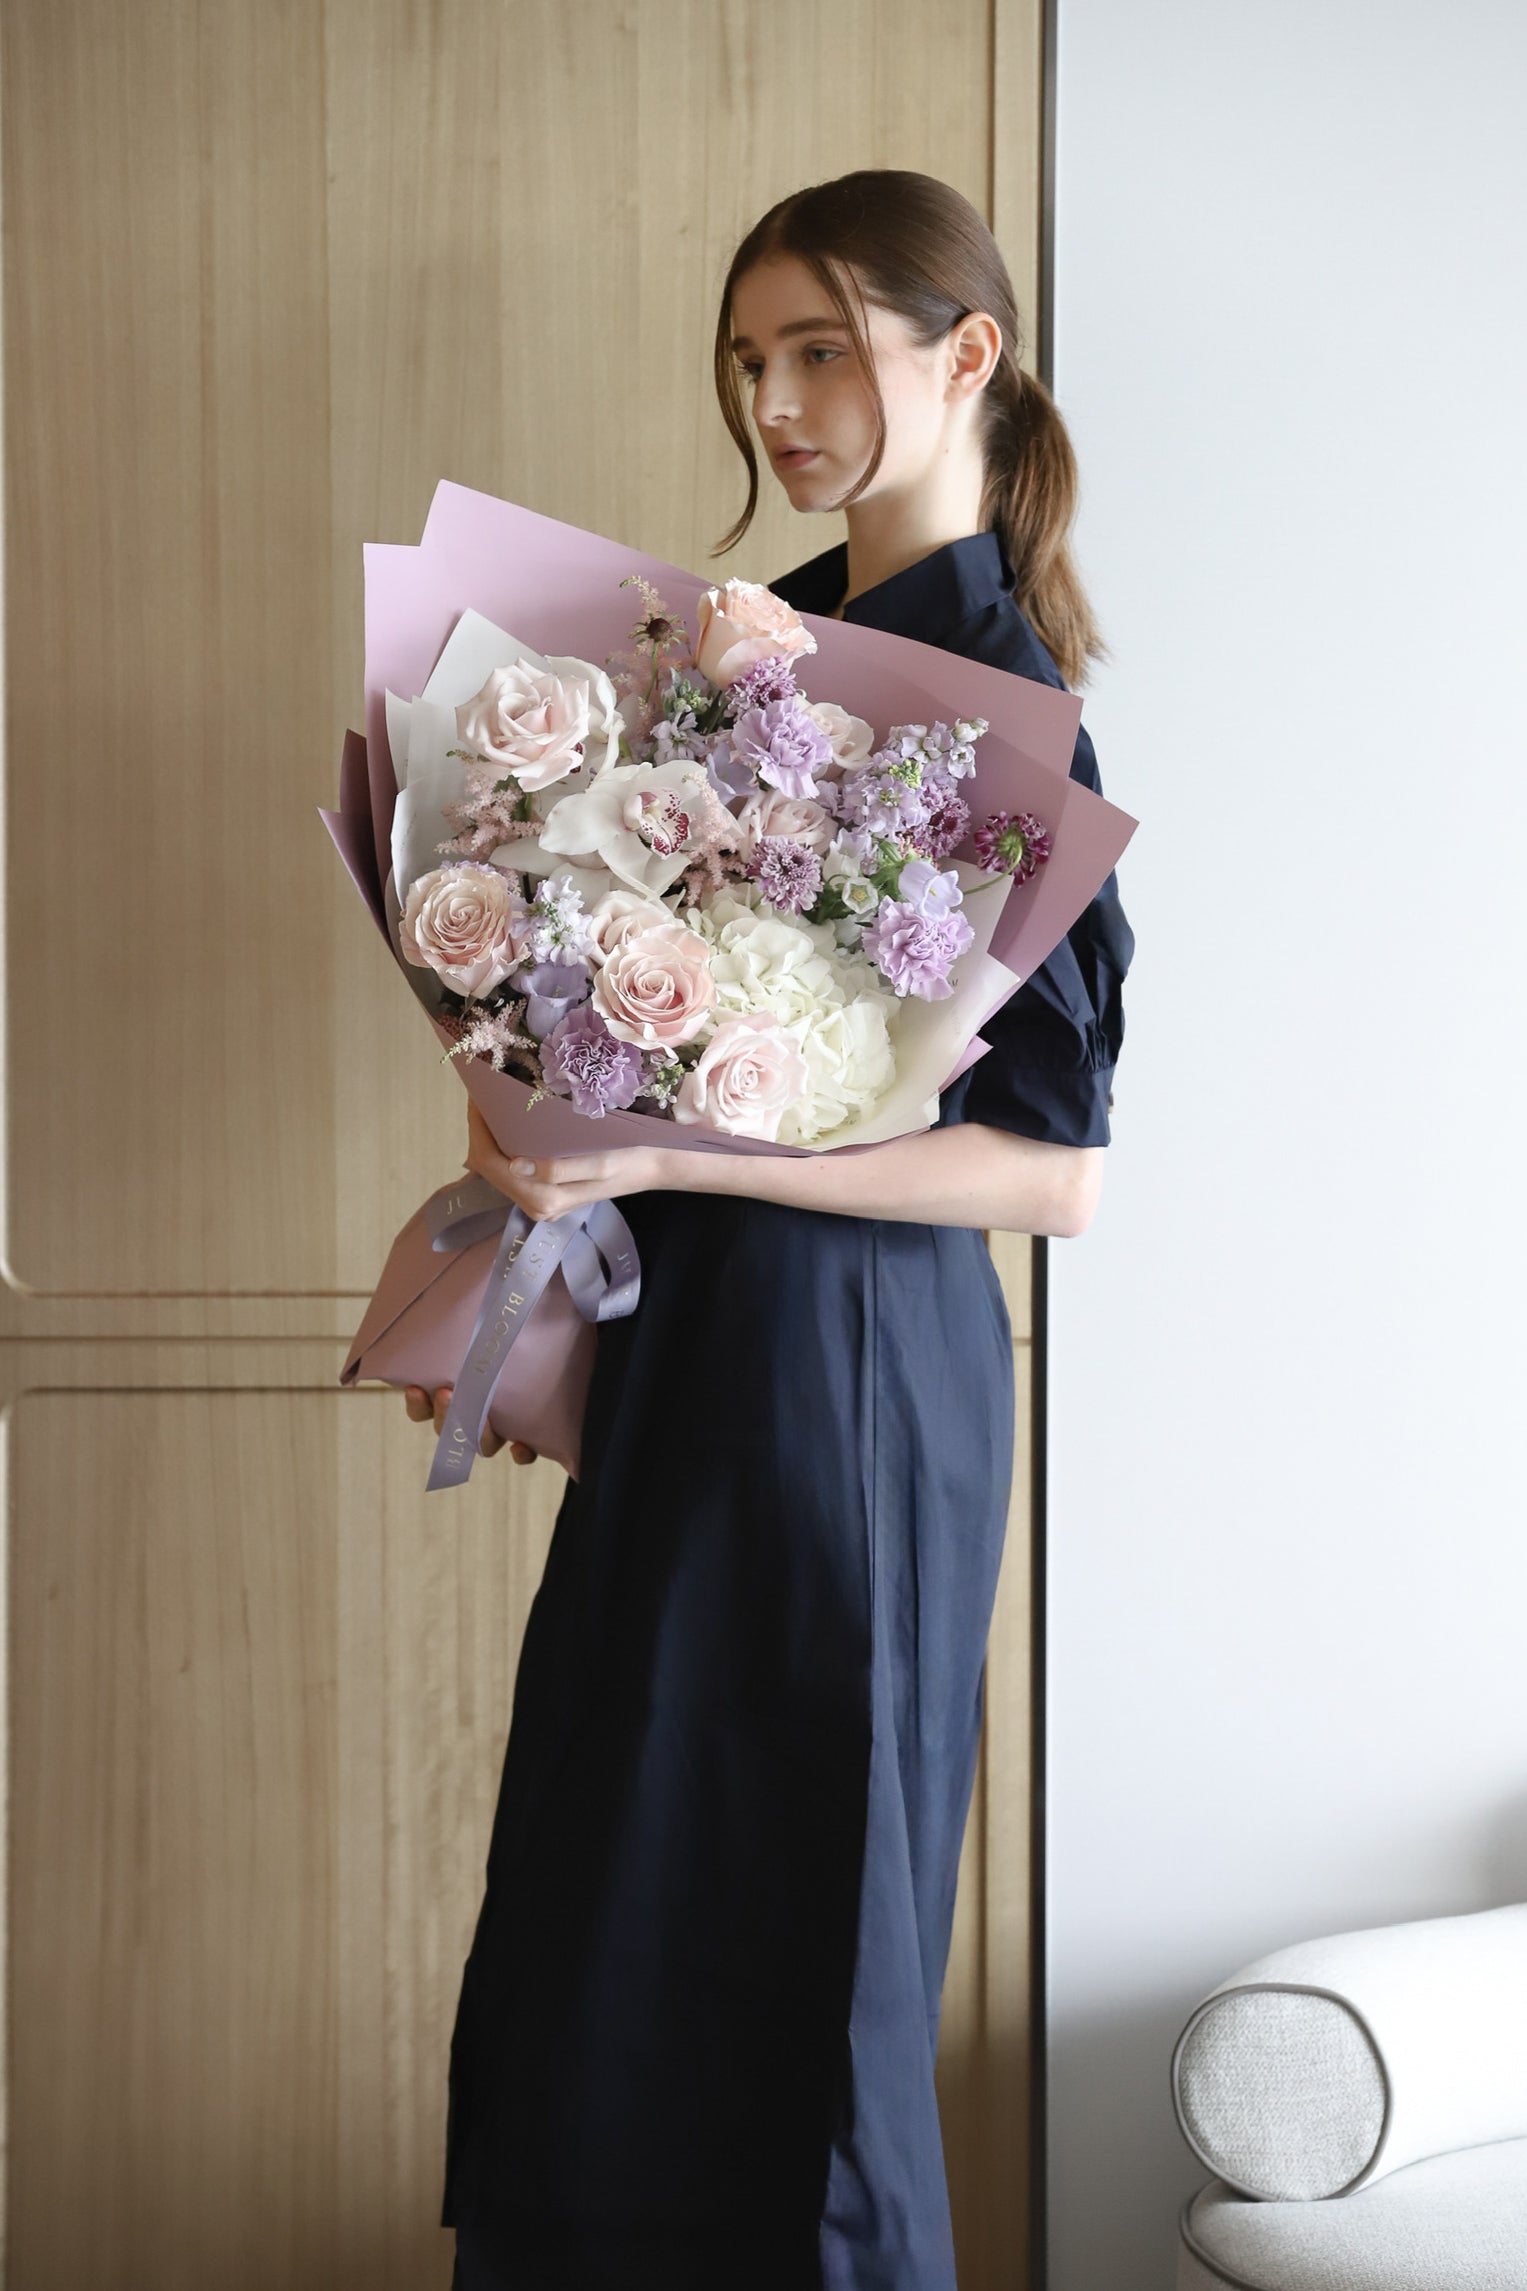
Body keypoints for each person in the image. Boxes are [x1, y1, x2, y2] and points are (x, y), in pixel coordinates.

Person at [407, 169, 1133, 2291]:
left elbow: (1053, 1174)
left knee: (791, 1966)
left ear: (960, 354)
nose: (777, 401)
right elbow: (625, 1032)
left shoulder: (999, 691)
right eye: (749, 363)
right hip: (703, 1358)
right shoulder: (751, 648)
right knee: (599, 1921)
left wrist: (667, 1164)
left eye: (818, 349)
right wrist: (538, 1080)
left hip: (852, 1392)